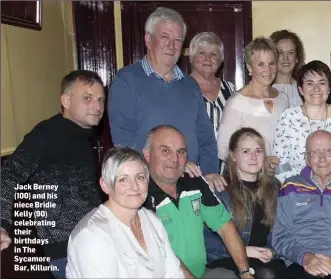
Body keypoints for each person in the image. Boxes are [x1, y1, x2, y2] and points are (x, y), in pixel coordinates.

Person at [0, 70, 106, 278]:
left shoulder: (81, 136)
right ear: (66, 101)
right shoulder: (48, 133)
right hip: (65, 250)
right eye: (88, 98)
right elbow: (10, 175)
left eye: (101, 99)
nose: (97, 106)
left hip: (88, 240)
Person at [108, 7, 225, 189]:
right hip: (147, 187)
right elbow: (124, 143)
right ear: (148, 39)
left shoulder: (190, 85)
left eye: (177, 40)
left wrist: (209, 173)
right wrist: (174, 165)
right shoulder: (127, 81)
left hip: (191, 185)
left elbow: (206, 139)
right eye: (164, 37)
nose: (171, 45)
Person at [142, 125, 253, 279]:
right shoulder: (139, 194)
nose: (175, 159)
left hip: (201, 273)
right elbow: (162, 256)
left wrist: (245, 272)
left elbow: (225, 227)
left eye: (181, 152)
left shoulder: (193, 182)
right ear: (147, 155)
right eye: (165, 150)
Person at [66, 146, 184, 278]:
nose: (134, 187)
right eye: (123, 179)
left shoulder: (152, 219)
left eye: (140, 177)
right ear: (105, 185)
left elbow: (174, 274)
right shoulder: (92, 235)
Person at [272, 130, 331, 279]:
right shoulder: (290, 186)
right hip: (299, 263)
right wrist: (306, 258)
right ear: (306, 158)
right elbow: (280, 236)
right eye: (315, 153)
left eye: (328, 152)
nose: (322, 158)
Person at [205, 128, 288, 278]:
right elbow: (206, 241)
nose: (253, 157)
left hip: (262, 258)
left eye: (258, 151)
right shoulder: (219, 189)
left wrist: (271, 251)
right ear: (233, 156)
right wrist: (243, 250)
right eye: (245, 151)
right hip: (226, 258)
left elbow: (279, 231)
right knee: (267, 274)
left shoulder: (274, 187)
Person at [273, 61, 331, 186]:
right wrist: (303, 191)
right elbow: (281, 166)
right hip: (299, 194)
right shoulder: (288, 117)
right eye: (309, 83)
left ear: (329, 88)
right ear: (300, 89)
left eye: (322, 83)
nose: (316, 88)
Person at [217, 36, 290, 170]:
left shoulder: (283, 99)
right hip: (251, 181)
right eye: (261, 64)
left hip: (282, 176)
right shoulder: (237, 102)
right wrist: (258, 164)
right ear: (250, 67)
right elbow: (223, 149)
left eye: (272, 63)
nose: (268, 70)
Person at [188, 31, 237, 172]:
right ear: (192, 57)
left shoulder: (231, 89)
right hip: (194, 166)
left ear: (220, 59)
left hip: (228, 168)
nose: (208, 58)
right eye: (202, 53)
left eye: (213, 54)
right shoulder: (181, 88)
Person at [271, 29, 306, 107]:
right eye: (280, 53)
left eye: (290, 52)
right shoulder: (266, 90)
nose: (285, 58)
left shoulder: (305, 88)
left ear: (297, 58)